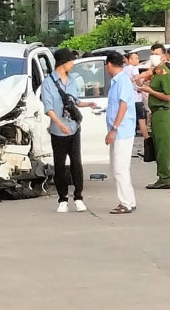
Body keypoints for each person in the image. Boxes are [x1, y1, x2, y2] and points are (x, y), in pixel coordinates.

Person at [41, 48, 98, 213]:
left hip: (74, 128)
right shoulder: (49, 83)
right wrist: (59, 124)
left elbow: (75, 101)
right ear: (63, 63)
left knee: (76, 163)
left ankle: (78, 197)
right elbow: (48, 108)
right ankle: (63, 199)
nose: (73, 64)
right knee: (59, 165)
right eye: (70, 61)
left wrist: (88, 104)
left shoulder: (73, 80)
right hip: (58, 131)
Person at [104, 51, 138, 214]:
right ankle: (129, 200)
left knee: (119, 168)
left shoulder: (122, 81)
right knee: (120, 167)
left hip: (121, 131)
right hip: (119, 130)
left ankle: (125, 203)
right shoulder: (117, 81)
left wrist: (114, 128)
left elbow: (123, 106)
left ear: (109, 64)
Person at [141, 54, 170, 190]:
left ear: (163, 58)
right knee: (157, 146)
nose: (153, 56)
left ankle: (164, 178)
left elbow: (168, 96)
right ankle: (161, 176)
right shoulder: (156, 72)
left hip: (162, 113)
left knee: (162, 148)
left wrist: (150, 91)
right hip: (155, 113)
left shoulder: (165, 74)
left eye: (157, 54)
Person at [125, 52, 150, 139]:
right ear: (129, 60)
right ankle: (146, 137)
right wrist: (141, 86)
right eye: (134, 58)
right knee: (141, 120)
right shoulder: (134, 69)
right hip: (137, 98)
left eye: (137, 58)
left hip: (129, 98)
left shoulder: (125, 69)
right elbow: (138, 80)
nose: (137, 60)